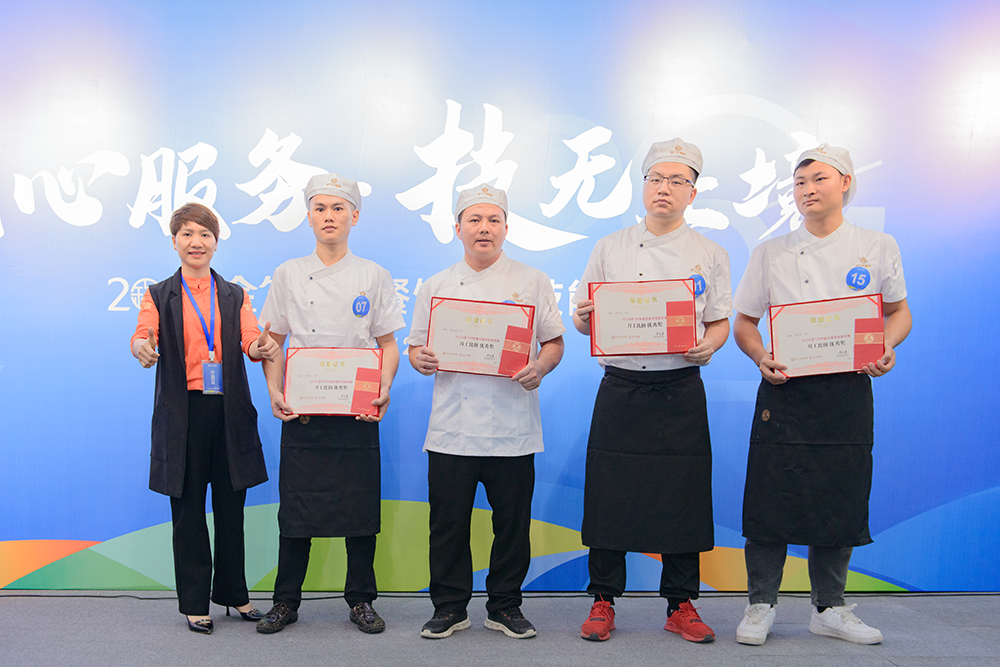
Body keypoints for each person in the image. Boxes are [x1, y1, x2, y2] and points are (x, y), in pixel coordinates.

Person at [732, 144, 911, 646]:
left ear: (845, 183)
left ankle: (829, 606)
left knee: (840, 496)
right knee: (768, 497)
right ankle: (760, 604)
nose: (807, 190)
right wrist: (760, 356)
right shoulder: (771, 252)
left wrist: (886, 346)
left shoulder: (877, 245)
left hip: (847, 390)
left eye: (818, 179)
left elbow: (899, 312)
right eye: (799, 183)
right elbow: (744, 322)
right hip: (784, 388)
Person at [571, 139, 731, 643]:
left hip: (679, 387)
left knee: (683, 495)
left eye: (677, 181)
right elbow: (583, 318)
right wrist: (584, 317)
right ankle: (603, 599)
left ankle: (680, 603)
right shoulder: (610, 246)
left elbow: (720, 322)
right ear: (643, 186)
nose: (664, 188)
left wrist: (708, 345)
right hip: (621, 385)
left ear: (693, 193)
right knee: (609, 494)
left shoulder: (710, 253)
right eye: (656, 179)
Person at [406, 184, 565, 640]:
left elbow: (554, 341)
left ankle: (505, 606)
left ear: (506, 229)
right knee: (448, 525)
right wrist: (420, 359)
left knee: (512, 526)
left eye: (493, 220)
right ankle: (449, 607)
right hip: (452, 428)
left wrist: (540, 367)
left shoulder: (532, 281)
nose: (484, 228)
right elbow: (416, 347)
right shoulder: (436, 286)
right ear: (457, 228)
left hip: (511, 425)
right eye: (474, 220)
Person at [254, 173, 404, 635]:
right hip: (303, 410)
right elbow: (273, 341)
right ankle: (285, 601)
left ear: (354, 216)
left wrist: (384, 387)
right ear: (309, 217)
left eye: (338, 208)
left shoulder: (373, 274)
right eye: (320, 208)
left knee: (360, 511)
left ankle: (361, 600)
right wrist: (274, 391)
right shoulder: (288, 273)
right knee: (296, 512)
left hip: (357, 409)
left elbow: (388, 344)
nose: (329, 216)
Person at [131, 202, 281, 634]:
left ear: (216, 242)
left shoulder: (234, 294)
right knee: (189, 512)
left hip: (229, 412)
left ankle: (235, 594)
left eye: (205, 234)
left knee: (232, 510)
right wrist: (142, 347)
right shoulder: (159, 294)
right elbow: (143, 333)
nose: (196, 242)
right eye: (187, 234)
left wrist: (260, 347)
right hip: (183, 415)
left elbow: (250, 338)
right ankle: (195, 603)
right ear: (174, 241)